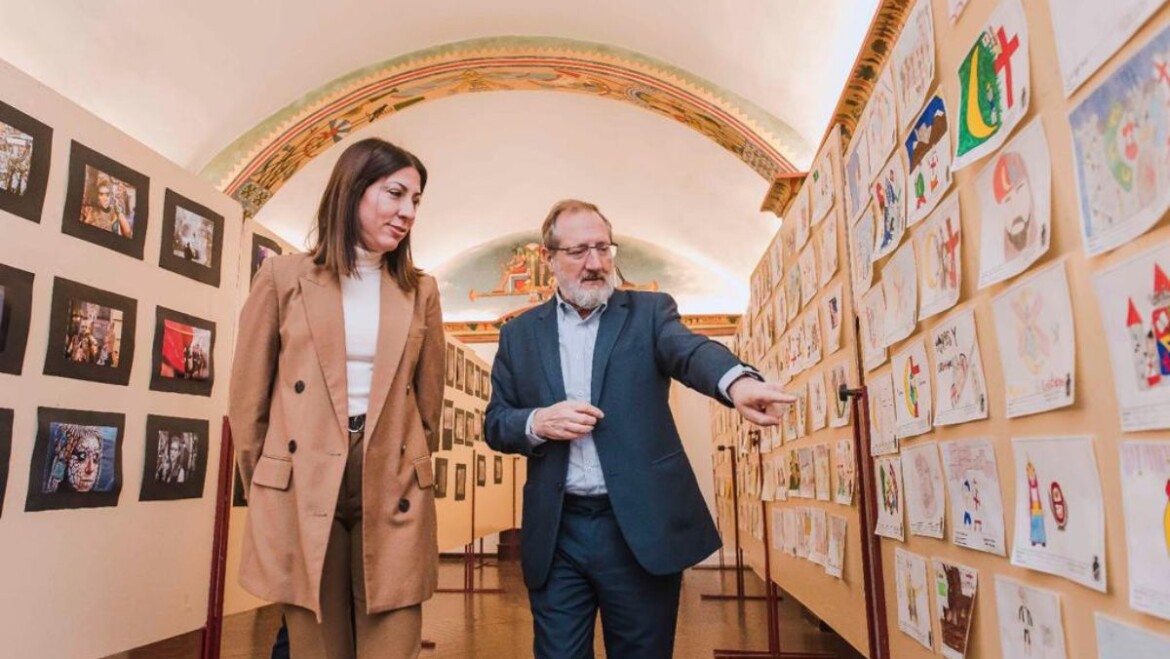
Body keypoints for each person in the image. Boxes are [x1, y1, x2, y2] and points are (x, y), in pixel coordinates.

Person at [485, 199, 795, 659]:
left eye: (603, 248)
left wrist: (737, 382)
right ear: (548, 258)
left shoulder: (649, 312)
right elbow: (496, 423)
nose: (595, 264)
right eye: (578, 252)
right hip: (557, 532)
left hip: (637, 527)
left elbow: (689, 351)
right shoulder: (519, 335)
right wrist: (538, 421)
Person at [229, 137, 445, 659]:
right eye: (395, 193)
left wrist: (407, 458)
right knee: (316, 647)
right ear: (352, 190)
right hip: (304, 482)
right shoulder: (283, 277)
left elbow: (429, 406)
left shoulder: (421, 290)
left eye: (416, 200)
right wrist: (272, 483)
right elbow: (248, 400)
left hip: (391, 478)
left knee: (393, 641)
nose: (408, 211)